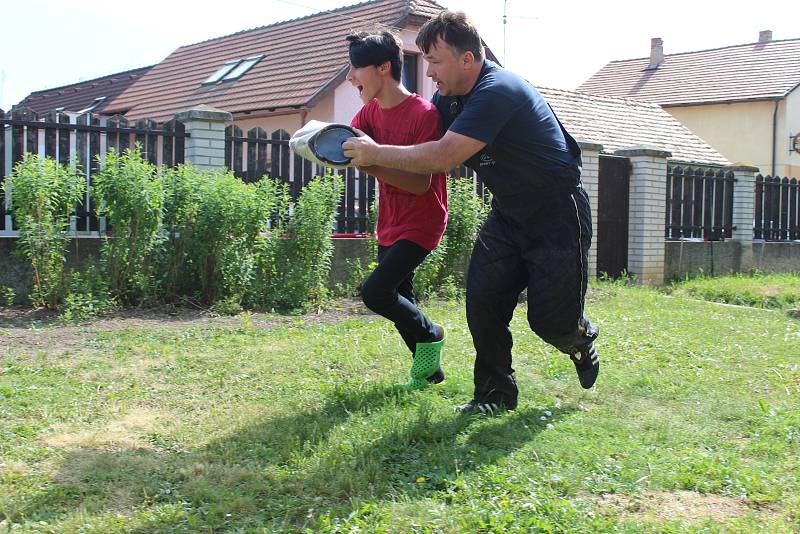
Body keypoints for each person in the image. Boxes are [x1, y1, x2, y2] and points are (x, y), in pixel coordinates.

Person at [343, 11, 600, 414]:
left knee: (549, 323)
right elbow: (421, 138)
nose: (428, 73)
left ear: (468, 59)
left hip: (556, 211)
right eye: (425, 60)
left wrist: (375, 154)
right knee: (482, 302)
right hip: (507, 212)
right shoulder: (446, 99)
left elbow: (443, 155)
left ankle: (578, 335)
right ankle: (494, 396)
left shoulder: (498, 89)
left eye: (435, 61)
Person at [345, 30, 448, 389]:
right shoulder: (370, 112)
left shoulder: (424, 115)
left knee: (376, 292)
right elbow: (346, 139)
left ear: (383, 67)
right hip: (389, 220)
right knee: (403, 298)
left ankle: (431, 332)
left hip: (422, 221)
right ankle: (429, 374)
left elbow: (421, 183)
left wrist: (370, 161)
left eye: (357, 68)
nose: (351, 76)